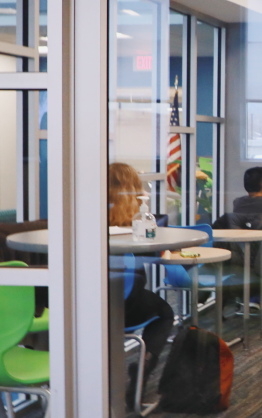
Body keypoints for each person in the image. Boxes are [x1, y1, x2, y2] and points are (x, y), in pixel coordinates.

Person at [108, 163, 176, 410]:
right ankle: (143, 370)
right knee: (165, 313)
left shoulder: (91, 217)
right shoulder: (143, 221)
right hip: (128, 304)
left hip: (90, 303)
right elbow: (155, 257)